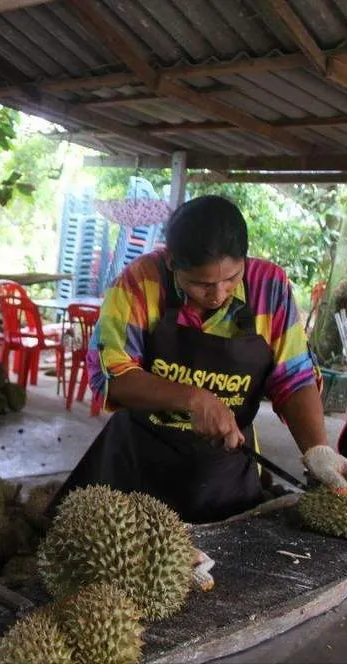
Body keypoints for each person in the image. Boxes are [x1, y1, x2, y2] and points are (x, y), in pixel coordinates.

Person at [51, 195, 347, 524]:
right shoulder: (140, 282)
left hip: (225, 471)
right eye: (200, 284)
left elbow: (294, 378)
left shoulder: (270, 287)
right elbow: (112, 375)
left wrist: (317, 449)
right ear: (171, 262)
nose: (218, 294)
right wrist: (193, 398)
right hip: (139, 467)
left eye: (231, 278)